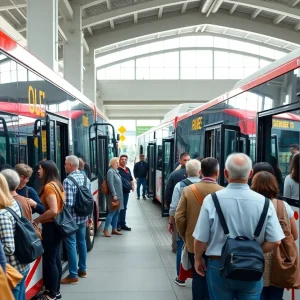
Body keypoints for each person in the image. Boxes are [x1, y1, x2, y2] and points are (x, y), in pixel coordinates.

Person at [193, 153, 284, 300]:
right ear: (250, 174)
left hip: (218, 265)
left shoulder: (212, 200)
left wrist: (198, 258)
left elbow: (201, 238)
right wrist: (251, 252)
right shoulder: (265, 203)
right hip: (251, 267)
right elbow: (276, 240)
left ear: (225, 173)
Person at [176, 157, 223, 298]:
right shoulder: (223, 191)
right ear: (218, 173)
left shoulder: (188, 190)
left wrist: (186, 236)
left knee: (198, 276)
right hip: (217, 245)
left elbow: (179, 217)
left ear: (200, 172)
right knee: (215, 277)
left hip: (193, 242)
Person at [251, 171, 298, 300]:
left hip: (255, 258)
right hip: (279, 260)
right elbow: (294, 235)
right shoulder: (284, 206)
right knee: (275, 295)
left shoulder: (251, 205)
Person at [34, 160, 65, 300]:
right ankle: (56, 290)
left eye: (40, 169)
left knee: (50, 260)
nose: (38, 171)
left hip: (50, 227)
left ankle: (52, 293)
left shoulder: (48, 187)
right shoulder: (57, 184)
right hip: (56, 226)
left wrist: (37, 220)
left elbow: (53, 210)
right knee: (55, 258)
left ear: (46, 170)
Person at [168, 159, 201, 286]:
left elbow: (174, 206)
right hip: (201, 223)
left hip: (184, 223)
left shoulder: (180, 185)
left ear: (186, 172)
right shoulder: (209, 186)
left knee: (182, 245)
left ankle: (181, 277)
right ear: (200, 172)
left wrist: (171, 221)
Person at [61, 155, 91, 284]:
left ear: (71, 165)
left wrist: (62, 218)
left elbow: (68, 203)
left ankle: (73, 274)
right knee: (82, 242)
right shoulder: (86, 178)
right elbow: (89, 200)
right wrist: (89, 217)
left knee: (71, 245)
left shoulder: (68, 181)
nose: (64, 166)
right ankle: (83, 270)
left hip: (72, 219)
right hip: (83, 216)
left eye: (65, 164)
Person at [0, 173, 29, 300]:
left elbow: (9, 248)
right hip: (22, 265)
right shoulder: (14, 202)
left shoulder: (2, 215)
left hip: (13, 269)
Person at [165, 152, 190, 253]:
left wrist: (168, 203)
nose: (187, 162)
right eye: (185, 160)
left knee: (177, 229)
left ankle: (175, 247)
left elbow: (168, 190)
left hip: (178, 209)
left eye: (188, 160)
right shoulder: (199, 177)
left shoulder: (174, 174)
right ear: (180, 161)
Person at [103, 157, 124, 237]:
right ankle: (105, 229)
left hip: (119, 195)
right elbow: (110, 184)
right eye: (117, 162)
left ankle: (114, 229)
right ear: (112, 163)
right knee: (112, 212)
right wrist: (114, 194)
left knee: (117, 212)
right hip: (113, 196)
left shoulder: (116, 171)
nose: (118, 164)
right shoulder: (110, 172)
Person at [118, 154, 134, 231]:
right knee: (119, 208)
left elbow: (131, 178)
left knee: (124, 208)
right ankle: (118, 224)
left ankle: (123, 224)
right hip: (119, 192)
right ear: (119, 160)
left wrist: (133, 185)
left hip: (126, 192)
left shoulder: (127, 169)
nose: (124, 161)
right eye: (122, 159)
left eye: (125, 159)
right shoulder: (117, 169)